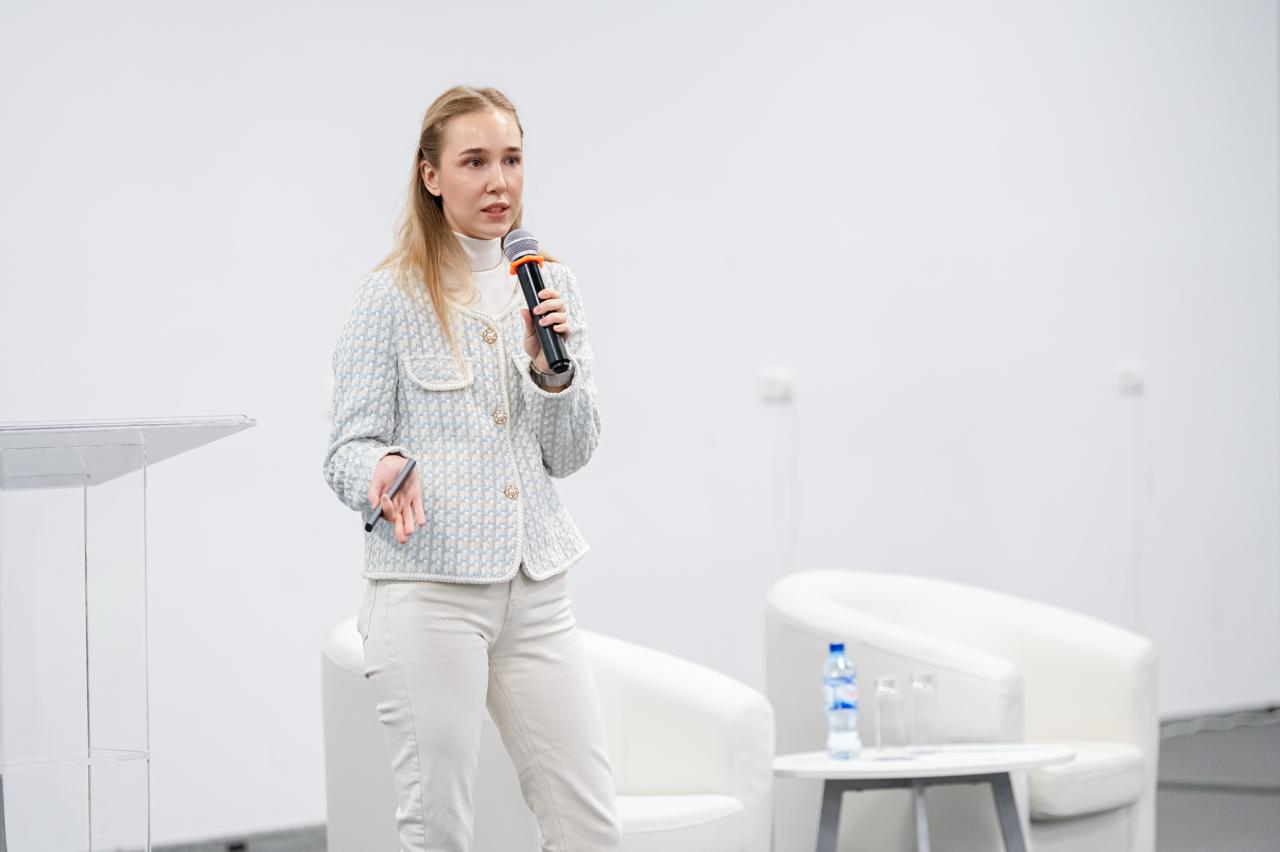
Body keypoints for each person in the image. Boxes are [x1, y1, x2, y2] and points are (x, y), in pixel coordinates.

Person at [323, 85, 622, 852]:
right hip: (429, 595)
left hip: (537, 591)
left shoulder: (551, 286)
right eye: (475, 162)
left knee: (589, 825)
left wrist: (551, 375)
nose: (499, 182)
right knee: (439, 830)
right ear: (431, 176)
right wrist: (382, 466)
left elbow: (571, 453)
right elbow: (346, 449)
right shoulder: (390, 296)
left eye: (512, 160)